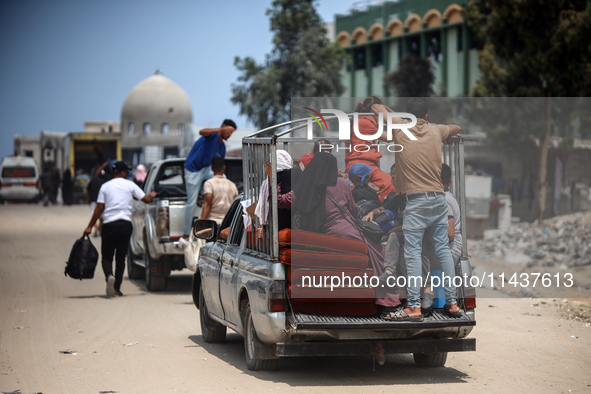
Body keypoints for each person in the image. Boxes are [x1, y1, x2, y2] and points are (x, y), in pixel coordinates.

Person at [290, 152, 400, 313]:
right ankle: (386, 301)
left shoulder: (306, 186)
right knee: (379, 254)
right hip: (348, 231)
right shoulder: (342, 184)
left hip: (321, 235)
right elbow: (354, 211)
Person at [387, 97, 462, 321]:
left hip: (417, 201)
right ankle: (452, 303)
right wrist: (445, 134)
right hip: (438, 199)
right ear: (427, 116)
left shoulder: (400, 130)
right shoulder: (435, 130)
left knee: (412, 254)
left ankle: (413, 306)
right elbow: (457, 127)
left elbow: (381, 110)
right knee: (441, 251)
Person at [83, 161, 157, 297]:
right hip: (125, 225)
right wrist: (152, 195)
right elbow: (146, 199)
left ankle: (109, 276)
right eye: (126, 171)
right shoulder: (130, 185)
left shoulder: (105, 187)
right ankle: (116, 288)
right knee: (121, 258)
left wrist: (90, 226)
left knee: (107, 257)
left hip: (109, 224)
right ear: (123, 173)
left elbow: (99, 208)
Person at [183, 119, 236, 238]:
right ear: (223, 127)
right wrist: (220, 130)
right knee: (191, 203)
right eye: (229, 131)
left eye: (232, 133)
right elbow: (202, 131)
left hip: (207, 169)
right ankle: (186, 233)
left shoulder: (222, 147)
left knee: (224, 178)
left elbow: (217, 167)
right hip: (193, 169)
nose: (230, 134)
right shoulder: (211, 135)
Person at [344, 96, 395, 203]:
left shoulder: (360, 121)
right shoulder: (364, 122)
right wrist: (391, 115)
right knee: (389, 184)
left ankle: (376, 207)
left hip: (368, 166)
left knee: (390, 184)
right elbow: (390, 137)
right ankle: (377, 207)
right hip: (360, 165)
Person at [200, 157, 239, 225]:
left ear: (212, 168)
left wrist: (201, 223)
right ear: (224, 167)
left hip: (213, 222)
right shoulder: (232, 185)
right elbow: (235, 205)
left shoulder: (209, 183)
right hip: (228, 223)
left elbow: (207, 204)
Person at [87, 166, 108, 237]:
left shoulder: (92, 180)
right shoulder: (105, 182)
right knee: (102, 216)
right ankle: (100, 229)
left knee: (94, 215)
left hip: (93, 200)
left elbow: (88, 191)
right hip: (102, 201)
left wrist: (88, 200)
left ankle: (95, 227)